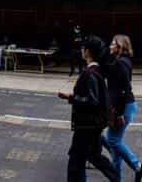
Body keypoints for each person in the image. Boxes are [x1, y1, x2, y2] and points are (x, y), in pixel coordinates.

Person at [57, 35, 118, 182]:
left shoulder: (90, 73)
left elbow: (92, 101)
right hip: (92, 125)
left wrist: (70, 97)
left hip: (86, 125)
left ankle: (116, 177)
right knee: (94, 157)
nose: (81, 50)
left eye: (83, 48)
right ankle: (116, 178)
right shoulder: (96, 71)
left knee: (75, 162)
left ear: (88, 51)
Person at [102, 34, 142, 182]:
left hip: (123, 106)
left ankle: (138, 167)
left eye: (112, 44)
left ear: (120, 46)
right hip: (122, 105)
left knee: (113, 141)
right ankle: (116, 178)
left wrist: (120, 113)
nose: (110, 46)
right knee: (114, 141)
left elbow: (124, 89)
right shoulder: (120, 61)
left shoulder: (121, 63)